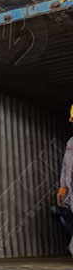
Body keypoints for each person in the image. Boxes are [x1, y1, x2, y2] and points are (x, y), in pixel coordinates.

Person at [57, 105, 73, 254]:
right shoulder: (71, 142)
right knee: (66, 218)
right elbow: (65, 166)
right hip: (71, 191)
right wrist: (63, 187)